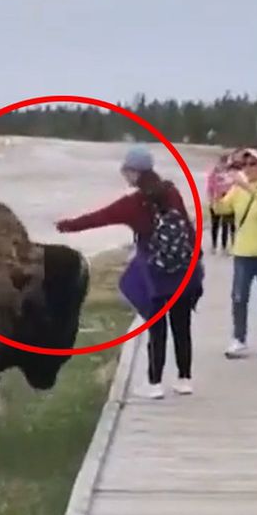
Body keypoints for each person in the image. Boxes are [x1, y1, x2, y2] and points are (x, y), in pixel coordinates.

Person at [56, 145, 205, 399]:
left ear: (133, 172)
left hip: (156, 275)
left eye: (125, 170)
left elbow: (97, 218)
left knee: (156, 328)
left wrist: (65, 226)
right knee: (182, 326)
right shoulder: (172, 193)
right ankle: (184, 379)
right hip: (184, 271)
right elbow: (188, 230)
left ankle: (155, 383)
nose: (124, 174)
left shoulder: (133, 204)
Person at [216, 146, 257, 359]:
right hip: (243, 252)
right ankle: (239, 338)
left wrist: (246, 186)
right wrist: (217, 193)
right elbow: (222, 209)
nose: (248, 168)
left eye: (253, 164)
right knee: (239, 296)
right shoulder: (238, 188)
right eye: (245, 164)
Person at [206, 153, 236, 255]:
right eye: (222, 162)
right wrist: (211, 200)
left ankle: (226, 247)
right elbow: (209, 188)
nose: (224, 165)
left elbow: (235, 188)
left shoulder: (231, 174)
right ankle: (214, 245)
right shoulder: (214, 174)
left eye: (226, 162)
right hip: (216, 201)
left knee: (227, 225)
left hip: (228, 202)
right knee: (215, 224)